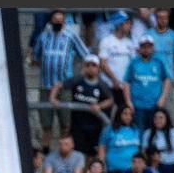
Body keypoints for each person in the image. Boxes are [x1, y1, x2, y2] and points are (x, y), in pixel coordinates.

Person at [31, 9, 90, 151]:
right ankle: (46, 154)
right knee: (46, 125)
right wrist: (45, 64)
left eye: (60, 19)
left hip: (64, 88)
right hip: (45, 86)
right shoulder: (43, 37)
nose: (58, 21)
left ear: (64, 21)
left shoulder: (71, 36)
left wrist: (77, 78)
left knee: (66, 124)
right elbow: (35, 58)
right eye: (55, 19)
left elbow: (87, 56)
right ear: (51, 20)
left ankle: (64, 153)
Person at [50, 55, 113, 158]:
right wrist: (53, 98)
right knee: (76, 154)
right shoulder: (77, 80)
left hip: (94, 126)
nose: (91, 68)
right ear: (84, 66)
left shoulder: (102, 84)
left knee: (91, 155)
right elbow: (58, 85)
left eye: (94, 65)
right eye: (88, 65)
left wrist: (99, 106)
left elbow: (110, 100)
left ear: (98, 68)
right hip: (77, 125)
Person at [124, 35, 171, 131]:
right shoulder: (134, 62)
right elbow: (127, 82)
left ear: (153, 48)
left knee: (154, 133)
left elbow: (167, 79)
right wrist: (128, 101)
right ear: (139, 48)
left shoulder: (159, 62)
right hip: (137, 105)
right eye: (144, 47)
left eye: (149, 47)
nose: (146, 49)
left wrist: (163, 98)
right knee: (139, 132)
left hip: (155, 105)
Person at [99, 10, 137, 113]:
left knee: (123, 114)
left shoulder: (130, 43)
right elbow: (103, 63)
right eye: (127, 23)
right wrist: (114, 80)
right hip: (108, 85)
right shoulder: (106, 41)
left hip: (124, 87)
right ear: (120, 24)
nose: (130, 26)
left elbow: (133, 64)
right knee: (106, 113)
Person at [97, 106, 140, 173]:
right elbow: (102, 148)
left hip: (131, 171)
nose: (128, 117)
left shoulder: (135, 129)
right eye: (125, 114)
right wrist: (102, 165)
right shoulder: (109, 129)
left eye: (130, 114)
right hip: (114, 170)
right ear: (119, 114)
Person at [141, 108, 174, 173]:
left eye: (161, 118)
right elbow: (144, 152)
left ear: (167, 119)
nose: (158, 120)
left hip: (173, 165)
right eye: (155, 118)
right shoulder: (147, 133)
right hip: (155, 166)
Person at [149, 9, 174, 87]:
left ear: (168, 19)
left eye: (165, 18)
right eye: (160, 17)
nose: (163, 20)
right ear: (156, 19)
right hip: (151, 77)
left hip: (168, 78)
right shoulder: (148, 34)